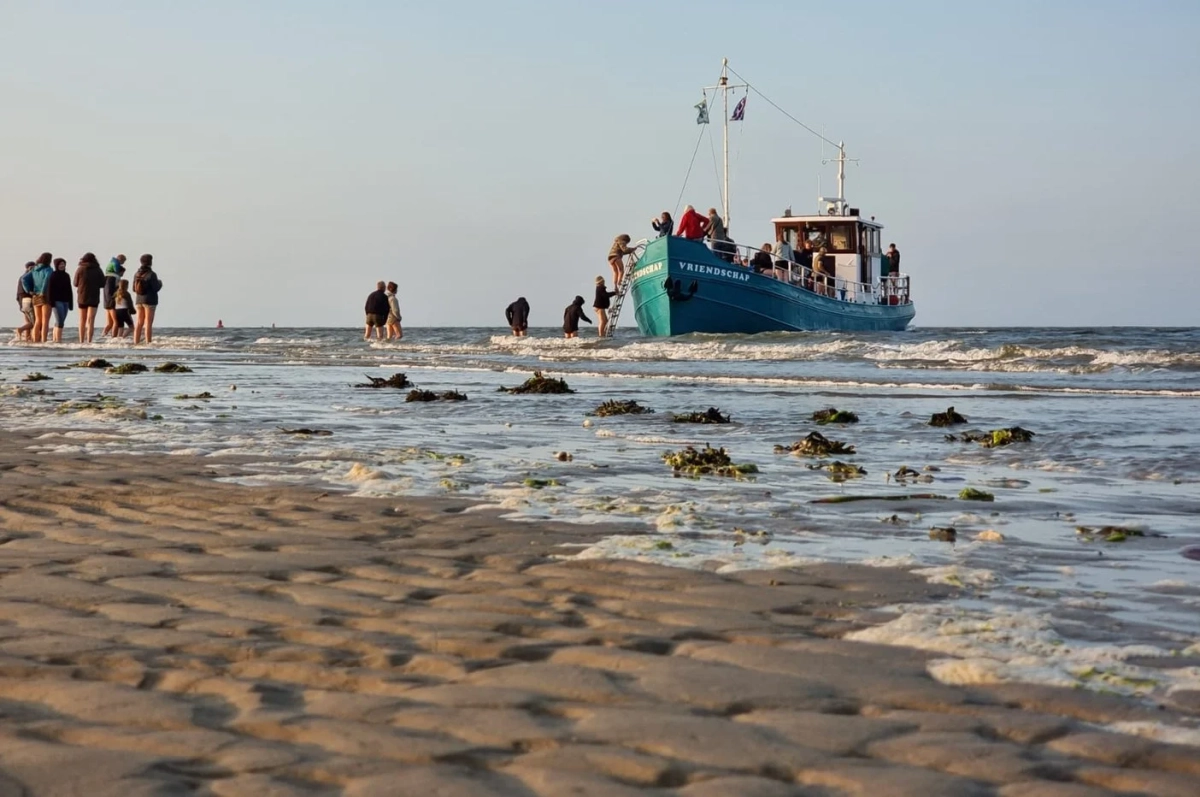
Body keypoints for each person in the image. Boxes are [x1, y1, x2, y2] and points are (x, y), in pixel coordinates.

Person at [73, 253, 105, 343]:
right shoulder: (98, 269)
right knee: (91, 320)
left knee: (82, 320)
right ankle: (89, 341)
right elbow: (103, 283)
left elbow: (75, 283)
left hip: (82, 297)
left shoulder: (80, 269)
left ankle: (81, 340)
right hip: (94, 296)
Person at [132, 253, 162, 345]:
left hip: (139, 300)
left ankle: (135, 342)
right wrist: (160, 283)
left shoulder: (136, 274)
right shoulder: (152, 274)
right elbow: (155, 288)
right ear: (150, 262)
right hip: (150, 300)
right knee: (148, 323)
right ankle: (148, 342)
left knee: (139, 322)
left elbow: (134, 288)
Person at [28, 253, 54, 343]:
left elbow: (24, 279)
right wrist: (43, 292)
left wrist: (29, 290)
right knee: (45, 321)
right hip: (45, 296)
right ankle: (43, 340)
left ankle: (35, 341)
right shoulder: (48, 270)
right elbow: (46, 281)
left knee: (38, 320)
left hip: (35, 295)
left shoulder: (34, 269)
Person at [47, 258, 74, 343]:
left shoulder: (67, 275)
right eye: (60, 264)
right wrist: (51, 302)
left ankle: (55, 339)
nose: (62, 266)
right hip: (56, 301)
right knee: (60, 321)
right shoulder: (53, 275)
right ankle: (59, 340)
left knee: (60, 321)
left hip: (65, 301)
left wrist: (71, 303)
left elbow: (69, 289)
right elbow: (50, 289)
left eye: (63, 264)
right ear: (56, 265)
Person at [102, 255, 126, 336]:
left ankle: (102, 336)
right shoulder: (114, 277)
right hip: (111, 302)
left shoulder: (107, 277)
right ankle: (114, 338)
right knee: (116, 322)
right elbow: (113, 290)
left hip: (106, 301)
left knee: (109, 323)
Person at [15, 262, 35, 341]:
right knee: (35, 322)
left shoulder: (21, 277)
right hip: (27, 300)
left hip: (21, 301)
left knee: (28, 321)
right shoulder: (28, 278)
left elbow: (18, 294)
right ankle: (20, 329)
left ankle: (28, 338)